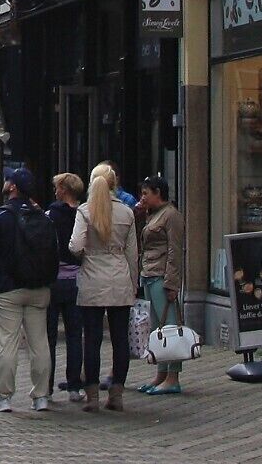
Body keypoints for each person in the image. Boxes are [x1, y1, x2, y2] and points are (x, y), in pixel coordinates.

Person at [0, 168, 59, 412]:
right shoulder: (44, 217)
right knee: (40, 343)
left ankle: (3, 398)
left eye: (8, 180)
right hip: (38, 288)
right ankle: (41, 396)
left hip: (7, 289)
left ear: (13, 187)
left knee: (7, 343)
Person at [67, 163, 141, 411]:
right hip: (119, 277)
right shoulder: (127, 213)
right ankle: (117, 395)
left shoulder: (85, 211)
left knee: (93, 339)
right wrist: (134, 282)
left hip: (92, 279)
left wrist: (88, 254)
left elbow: (75, 245)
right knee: (121, 339)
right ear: (114, 184)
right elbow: (133, 254)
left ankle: (92, 397)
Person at [135, 173, 187, 397]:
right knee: (157, 328)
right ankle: (161, 373)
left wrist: (172, 283)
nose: (142, 197)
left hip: (161, 275)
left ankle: (173, 376)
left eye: (146, 193)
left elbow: (176, 251)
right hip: (148, 274)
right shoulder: (151, 215)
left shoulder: (171, 216)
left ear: (158, 193)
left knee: (169, 326)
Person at [46, 173, 82, 392]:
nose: (55, 191)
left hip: (54, 279)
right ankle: (74, 384)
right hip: (77, 279)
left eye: (57, 187)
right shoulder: (83, 214)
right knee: (75, 335)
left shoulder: (50, 215)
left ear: (63, 189)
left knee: (49, 335)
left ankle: (46, 386)